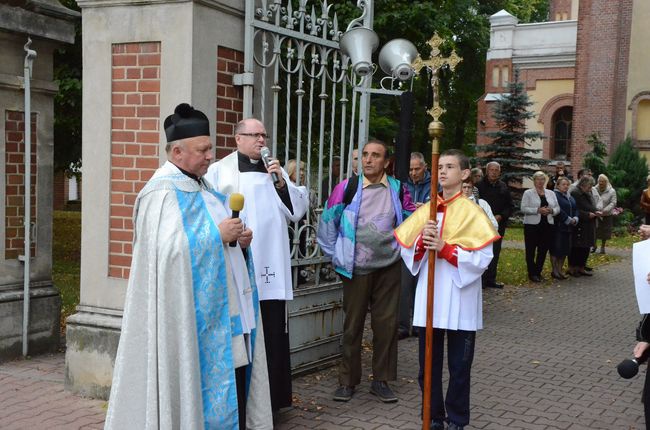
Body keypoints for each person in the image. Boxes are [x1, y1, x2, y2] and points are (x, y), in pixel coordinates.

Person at [105, 104, 272, 430]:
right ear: (178, 152)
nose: (211, 155)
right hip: (190, 325)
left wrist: (238, 242)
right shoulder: (161, 194)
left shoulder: (204, 188)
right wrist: (216, 236)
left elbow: (214, 240)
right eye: (203, 150)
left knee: (235, 390)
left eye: (210, 148)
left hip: (227, 318)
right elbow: (166, 255)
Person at [205, 119, 309, 415]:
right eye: (255, 135)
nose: (262, 140)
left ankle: (272, 403)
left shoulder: (274, 170)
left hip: (271, 266)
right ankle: (241, 404)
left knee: (272, 333)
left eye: (264, 134)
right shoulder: (220, 171)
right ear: (238, 138)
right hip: (238, 265)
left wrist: (279, 181)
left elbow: (297, 211)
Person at [395, 149, 499, 430]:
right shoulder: (428, 210)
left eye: (450, 166)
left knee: (459, 367)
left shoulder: (473, 213)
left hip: (460, 298)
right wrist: (420, 246)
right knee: (427, 365)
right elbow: (407, 250)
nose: (442, 171)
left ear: (464, 173)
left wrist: (446, 249)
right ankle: (433, 415)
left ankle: (457, 419)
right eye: (439, 166)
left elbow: (483, 259)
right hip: (430, 297)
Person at [317, 139, 415, 404]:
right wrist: (337, 256)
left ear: (386, 162)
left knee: (386, 326)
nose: (369, 160)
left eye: (375, 155)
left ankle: (381, 381)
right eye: (365, 155)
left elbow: (410, 221)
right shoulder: (346, 188)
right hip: (355, 269)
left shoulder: (397, 188)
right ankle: (347, 382)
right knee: (353, 326)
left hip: (389, 267)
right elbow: (327, 224)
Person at [398, 152, 432, 339]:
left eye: (417, 169)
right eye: (410, 169)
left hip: (426, 242)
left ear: (425, 167)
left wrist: (425, 210)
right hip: (408, 241)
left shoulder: (436, 186)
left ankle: (420, 324)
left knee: (423, 285)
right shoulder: (403, 187)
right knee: (404, 286)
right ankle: (402, 325)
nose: (413, 172)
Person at [476, 161, 513, 289]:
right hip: (482, 225)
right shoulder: (479, 186)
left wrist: (501, 216)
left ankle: (491, 279)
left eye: (496, 170)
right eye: (491, 170)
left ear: (499, 172)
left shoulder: (503, 186)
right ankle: (481, 280)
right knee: (482, 251)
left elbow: (510, 205)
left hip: (498, 225)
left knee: (495, 252)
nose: (494, 172)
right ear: (487, 171)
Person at [521, 171, 560, 282]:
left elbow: (558, 208)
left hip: (547, 225)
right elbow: (523, 208)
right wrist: (537, 210)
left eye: (542, 179)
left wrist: (551, 210)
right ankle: (532, 273)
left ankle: (538, 272)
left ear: (545, 181)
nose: (540, 181)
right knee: (531, 250)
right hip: (532, 226)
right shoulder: (528, 193)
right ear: (534, 181)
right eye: (538, 179)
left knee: (543, 250)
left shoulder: (551, 193)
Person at [568, 176, 601, 277]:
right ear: (583, 185)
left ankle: (581, 267)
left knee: (585, 247)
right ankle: (573, 268)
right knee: (577, 247)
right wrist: (587, 214)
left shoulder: (587, 193)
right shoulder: (575, 193)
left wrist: (595, 211)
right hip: (580, 224)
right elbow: (575, 209)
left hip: (588, 224)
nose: (590, 188)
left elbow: (590, 205)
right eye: (589, 186)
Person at [550, 177, 578, 280]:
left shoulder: (569, 197)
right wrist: (567, 219)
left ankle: (560, 270)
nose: (566, 186)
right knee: (556, 249)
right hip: (558, 227)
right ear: (558, 185)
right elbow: (558, 210)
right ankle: (555, 270)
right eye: (563, 184)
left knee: (564, 250)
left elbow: (575, 208)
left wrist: (575, 218)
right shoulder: (555, 195)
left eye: (567, 184)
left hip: (569, 228)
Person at [595, 174, 617, 254]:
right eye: (599, 181)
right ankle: (594, 245)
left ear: (606, 182)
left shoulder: (611, 191)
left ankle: (603, 246)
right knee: (595, 230)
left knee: (605, 231)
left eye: (603, 181)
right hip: (596, 213)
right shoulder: (594, 189)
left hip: (606, 214)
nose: (601, 183)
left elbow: (613, 202)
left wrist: (605, 211)